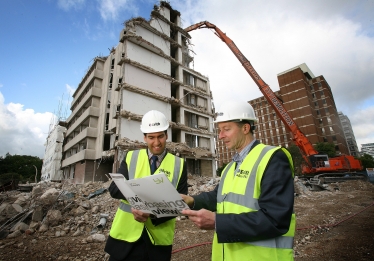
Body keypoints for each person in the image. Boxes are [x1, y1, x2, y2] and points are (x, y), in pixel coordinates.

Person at [181, 100, 295, 261]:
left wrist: (218, 222)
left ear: (246, 128)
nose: (220, 136)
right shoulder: (230, 167)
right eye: (219, 130)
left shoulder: (272, 158)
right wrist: (192, 200)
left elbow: (275, 219)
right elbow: (219, 197)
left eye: (226, 129)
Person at [105, 110, 188, 261]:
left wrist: (152, 213)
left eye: (160, 136)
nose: (156, 143)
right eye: (151, 137)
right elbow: (114, 189)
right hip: (125, 239)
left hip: (157, 243)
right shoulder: (131, 157)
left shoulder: (179, 165)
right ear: (144, 137)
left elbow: (181, 204)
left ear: (166, 135)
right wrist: (141, 198)